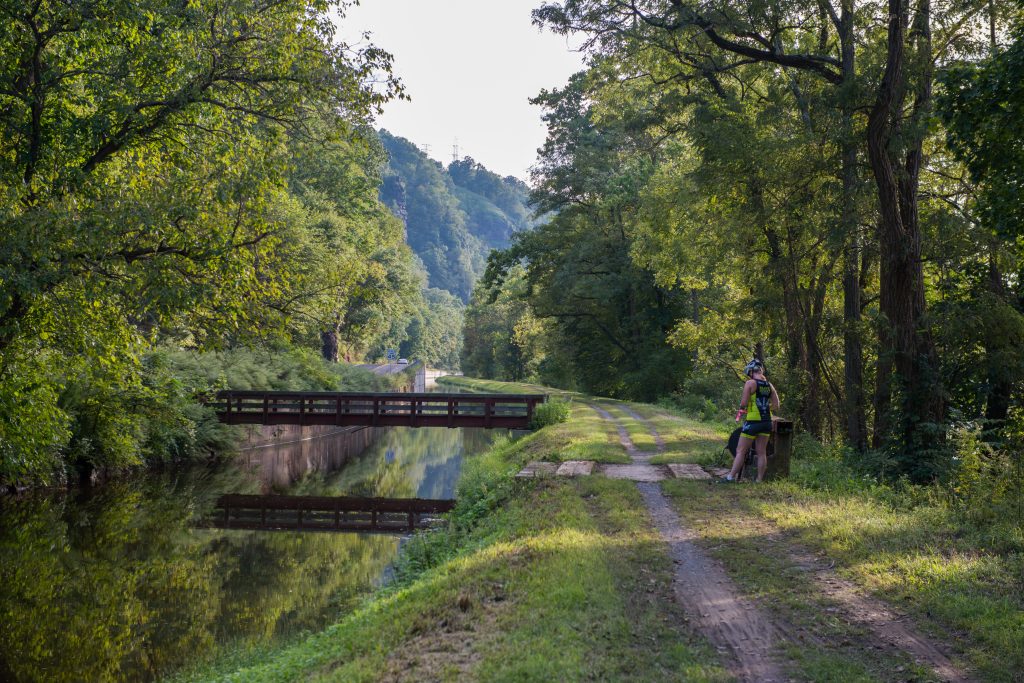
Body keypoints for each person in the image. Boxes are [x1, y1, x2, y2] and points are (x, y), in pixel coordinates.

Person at [720, 359, 780, 483]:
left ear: (751, 372)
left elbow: (743, 403)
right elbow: (776, 405)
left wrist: (744, 409)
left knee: (740, 450)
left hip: (753, 422)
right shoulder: (769, 385)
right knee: (762, 452)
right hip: (766, 422)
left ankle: (730, 477)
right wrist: (765, 408)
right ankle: (758, 480)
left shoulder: (750, 383)